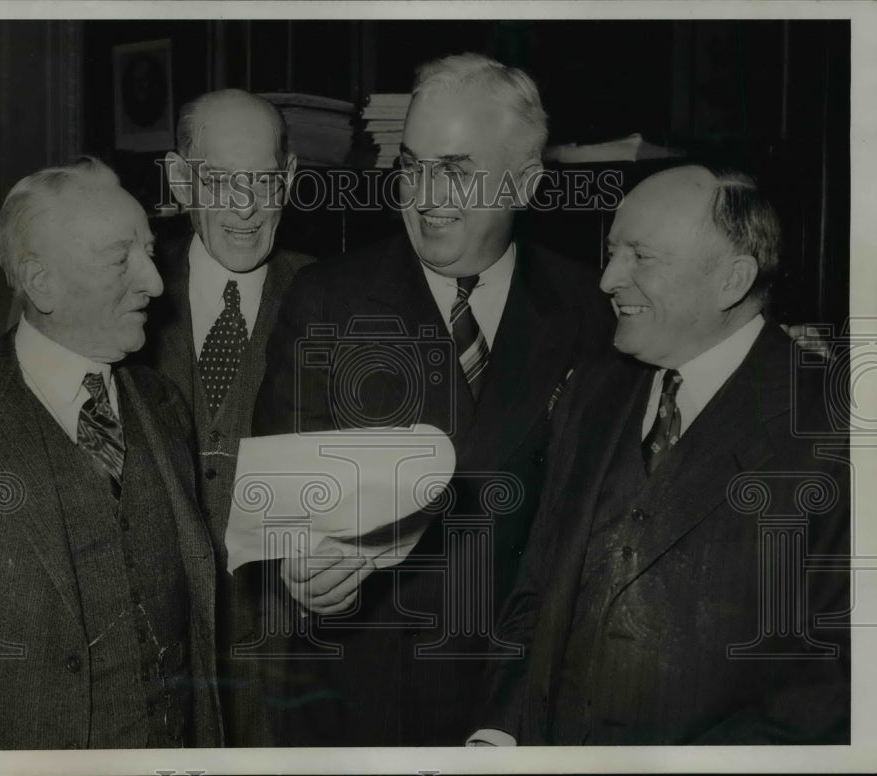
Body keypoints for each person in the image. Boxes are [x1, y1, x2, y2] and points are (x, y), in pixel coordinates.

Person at [251, 53, 612, 745]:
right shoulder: (327, 300)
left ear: (525, 183)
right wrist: (301, 568)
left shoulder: (591, 311)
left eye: (455, 170)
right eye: (411, 166)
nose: (423, 196)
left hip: (523, 704)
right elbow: (280, 505)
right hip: (359, 709)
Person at [475, 164, 850, 745]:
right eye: (611, 253)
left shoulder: (835, 429)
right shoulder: (590, 391)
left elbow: (833, 683)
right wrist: (499, 735)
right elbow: (535, 592)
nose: (607, 279)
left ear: (732, 280)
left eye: (641, 257)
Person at [0, 158, 223, 750]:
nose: (155, 283)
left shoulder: (164, 406)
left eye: (149, 253)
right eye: (120, 259)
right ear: (41, 281)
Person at [138, 88, 313, 745]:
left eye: (263, 180)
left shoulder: (336, 300)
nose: (244, 207)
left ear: (288, 178)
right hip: (151, 677)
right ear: (181, 180)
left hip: (285, 682)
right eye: (219, 181)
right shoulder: (122, 294)